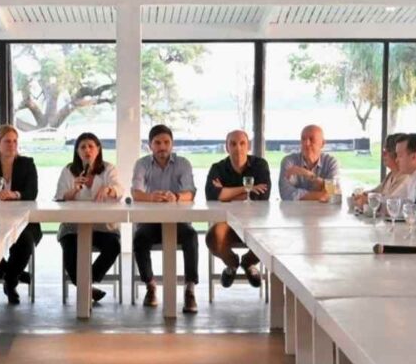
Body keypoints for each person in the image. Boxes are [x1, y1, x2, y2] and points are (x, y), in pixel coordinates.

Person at [132, 124, 199, 313]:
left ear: (172, 144)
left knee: (191, 236)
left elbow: (190, 192)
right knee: (139, 238)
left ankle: (190, 289)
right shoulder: (142, 164)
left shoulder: (183, 163)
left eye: (166, 142)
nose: (162, 147)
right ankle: (151, 286)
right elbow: (136, 192)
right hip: (151, 222)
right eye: (158, 143)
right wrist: (150, 197)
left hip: (178, 222)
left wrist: (177, 197)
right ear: (150, 145)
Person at [0, 125, 42, 304]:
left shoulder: (27, 163)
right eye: (7, 141)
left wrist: (15, 194)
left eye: (15, 141)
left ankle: (10, 281)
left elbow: (32, 192)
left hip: (24, 221)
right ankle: (12, 273)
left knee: (25, 242)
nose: (12, 145)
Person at [54, 132, 123, 303]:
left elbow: (119, 190)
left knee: (113, 246)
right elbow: (59, 197)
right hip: (74, 226)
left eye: (91, 146)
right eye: (83, 147)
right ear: (77, 151)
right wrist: (75, 190)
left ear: (98, 149)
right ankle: (87, 289)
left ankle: (86, 283)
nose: (87, 150)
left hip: (103, 226)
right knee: (70, 249)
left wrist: (107, 189)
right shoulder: (69, 170)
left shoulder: (109, 169)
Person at [204, 129, 270, 288]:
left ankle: (248, 263)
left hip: (255, 221)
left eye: (242, 143)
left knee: (269, 240)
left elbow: (261, 196)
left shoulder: (260, 165)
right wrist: (246, 189)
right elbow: (213, 196)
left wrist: (227, 194)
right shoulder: (217, 168)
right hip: (227, 222)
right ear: (227, 147)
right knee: (213, 238)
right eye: (232, 144)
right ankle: (232, 264)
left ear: (248, 146)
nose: (238, 148)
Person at [278, 125, 339, 201]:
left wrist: (309, 175)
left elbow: (334, 193)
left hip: (323, 211)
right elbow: (286, 194)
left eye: (312, 139)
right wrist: (322, 195)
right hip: (295, 212)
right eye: (303, 139)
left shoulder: (330, 162)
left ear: (322, 143)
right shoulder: (289, 161)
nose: (306, 143)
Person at [353, 134, 408, 209]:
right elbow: (376, 191)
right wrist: (362, 194)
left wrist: (368, 200)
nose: (383, 154)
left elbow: (390, 201)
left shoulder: (404, 177)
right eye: (383, 151)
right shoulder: (391, 174)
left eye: (387, 151)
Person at [393, 133, 416, 202]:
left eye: (400, 156)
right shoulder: (410, 177)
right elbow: (393, 200)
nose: (396, 160)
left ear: (414, 157)